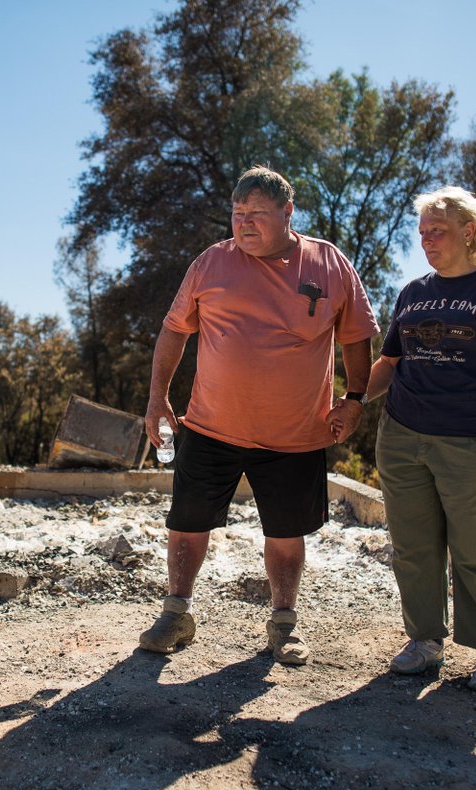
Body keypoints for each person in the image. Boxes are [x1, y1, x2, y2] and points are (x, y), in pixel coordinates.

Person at [138, 165, 380, 665]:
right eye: (237, 213)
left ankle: (284, 624)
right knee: (186, 524)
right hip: (209, 427)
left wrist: (354, 399)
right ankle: (177, 611)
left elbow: (357, 336)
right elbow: (173, 329)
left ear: (288, 212)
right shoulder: (211, 263)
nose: (244, 223)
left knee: (286, 534)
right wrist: (157, 397)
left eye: (257, 214)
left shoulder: (328, 263)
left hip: (294, 434)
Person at [364, 186, 476, 693]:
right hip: (402, 438)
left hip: (475, 444)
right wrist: (353, 403)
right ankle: (424, 642)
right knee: (414, 548)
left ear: (468, 231)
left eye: (436, 231)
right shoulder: (413, 292)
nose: (426, 241)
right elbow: (390, 364)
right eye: (421, 233)